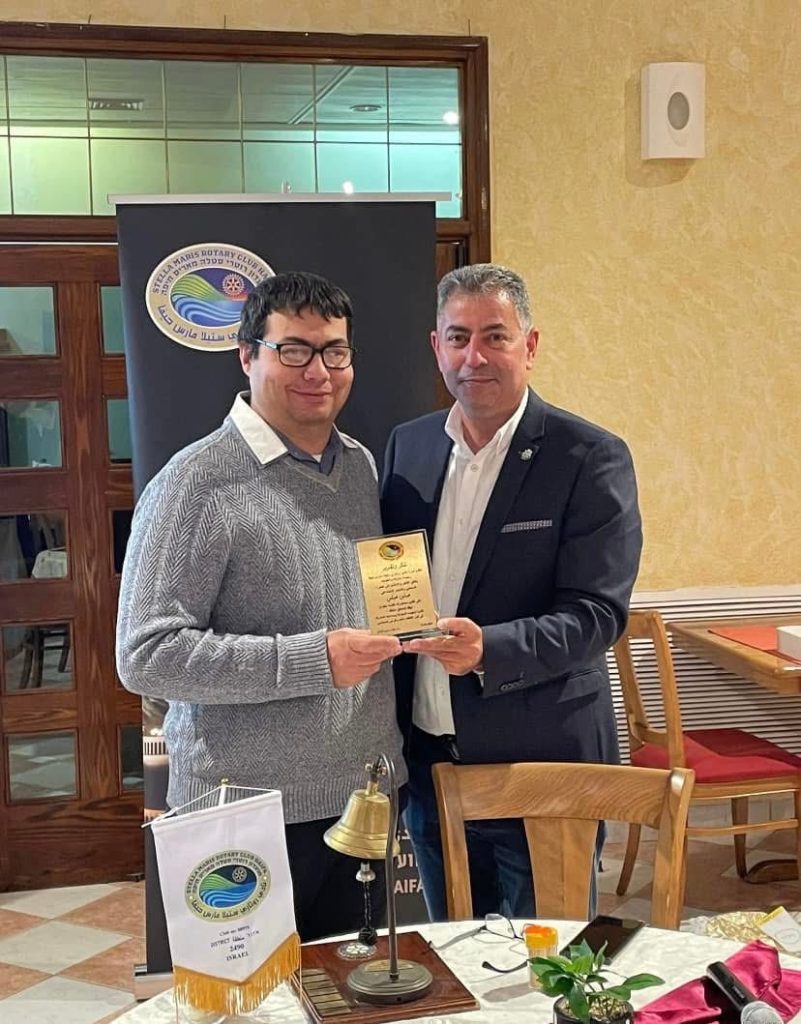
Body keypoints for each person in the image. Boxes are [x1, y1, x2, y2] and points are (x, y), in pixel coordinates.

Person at [117, 271, 405, 941]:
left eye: (334, 351)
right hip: (240, 812)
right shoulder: (195, 483)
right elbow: (145, 655)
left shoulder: (360, 466)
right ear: (247, 355)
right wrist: (314, 660)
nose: (318, 371)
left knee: (348, 988)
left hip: (363, 796)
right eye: (293, 350)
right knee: (249, 996)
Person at [381, 263, 642, 921]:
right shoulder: (407, 446)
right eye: (458, 337)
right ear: (436, 346)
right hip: (430, 765)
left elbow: (597, 614)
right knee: (456, 952)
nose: (474, 356)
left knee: (551, 960)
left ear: (529, 345)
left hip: (542, 764)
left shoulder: (588, 456)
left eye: (494, 336)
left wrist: (488, 650)